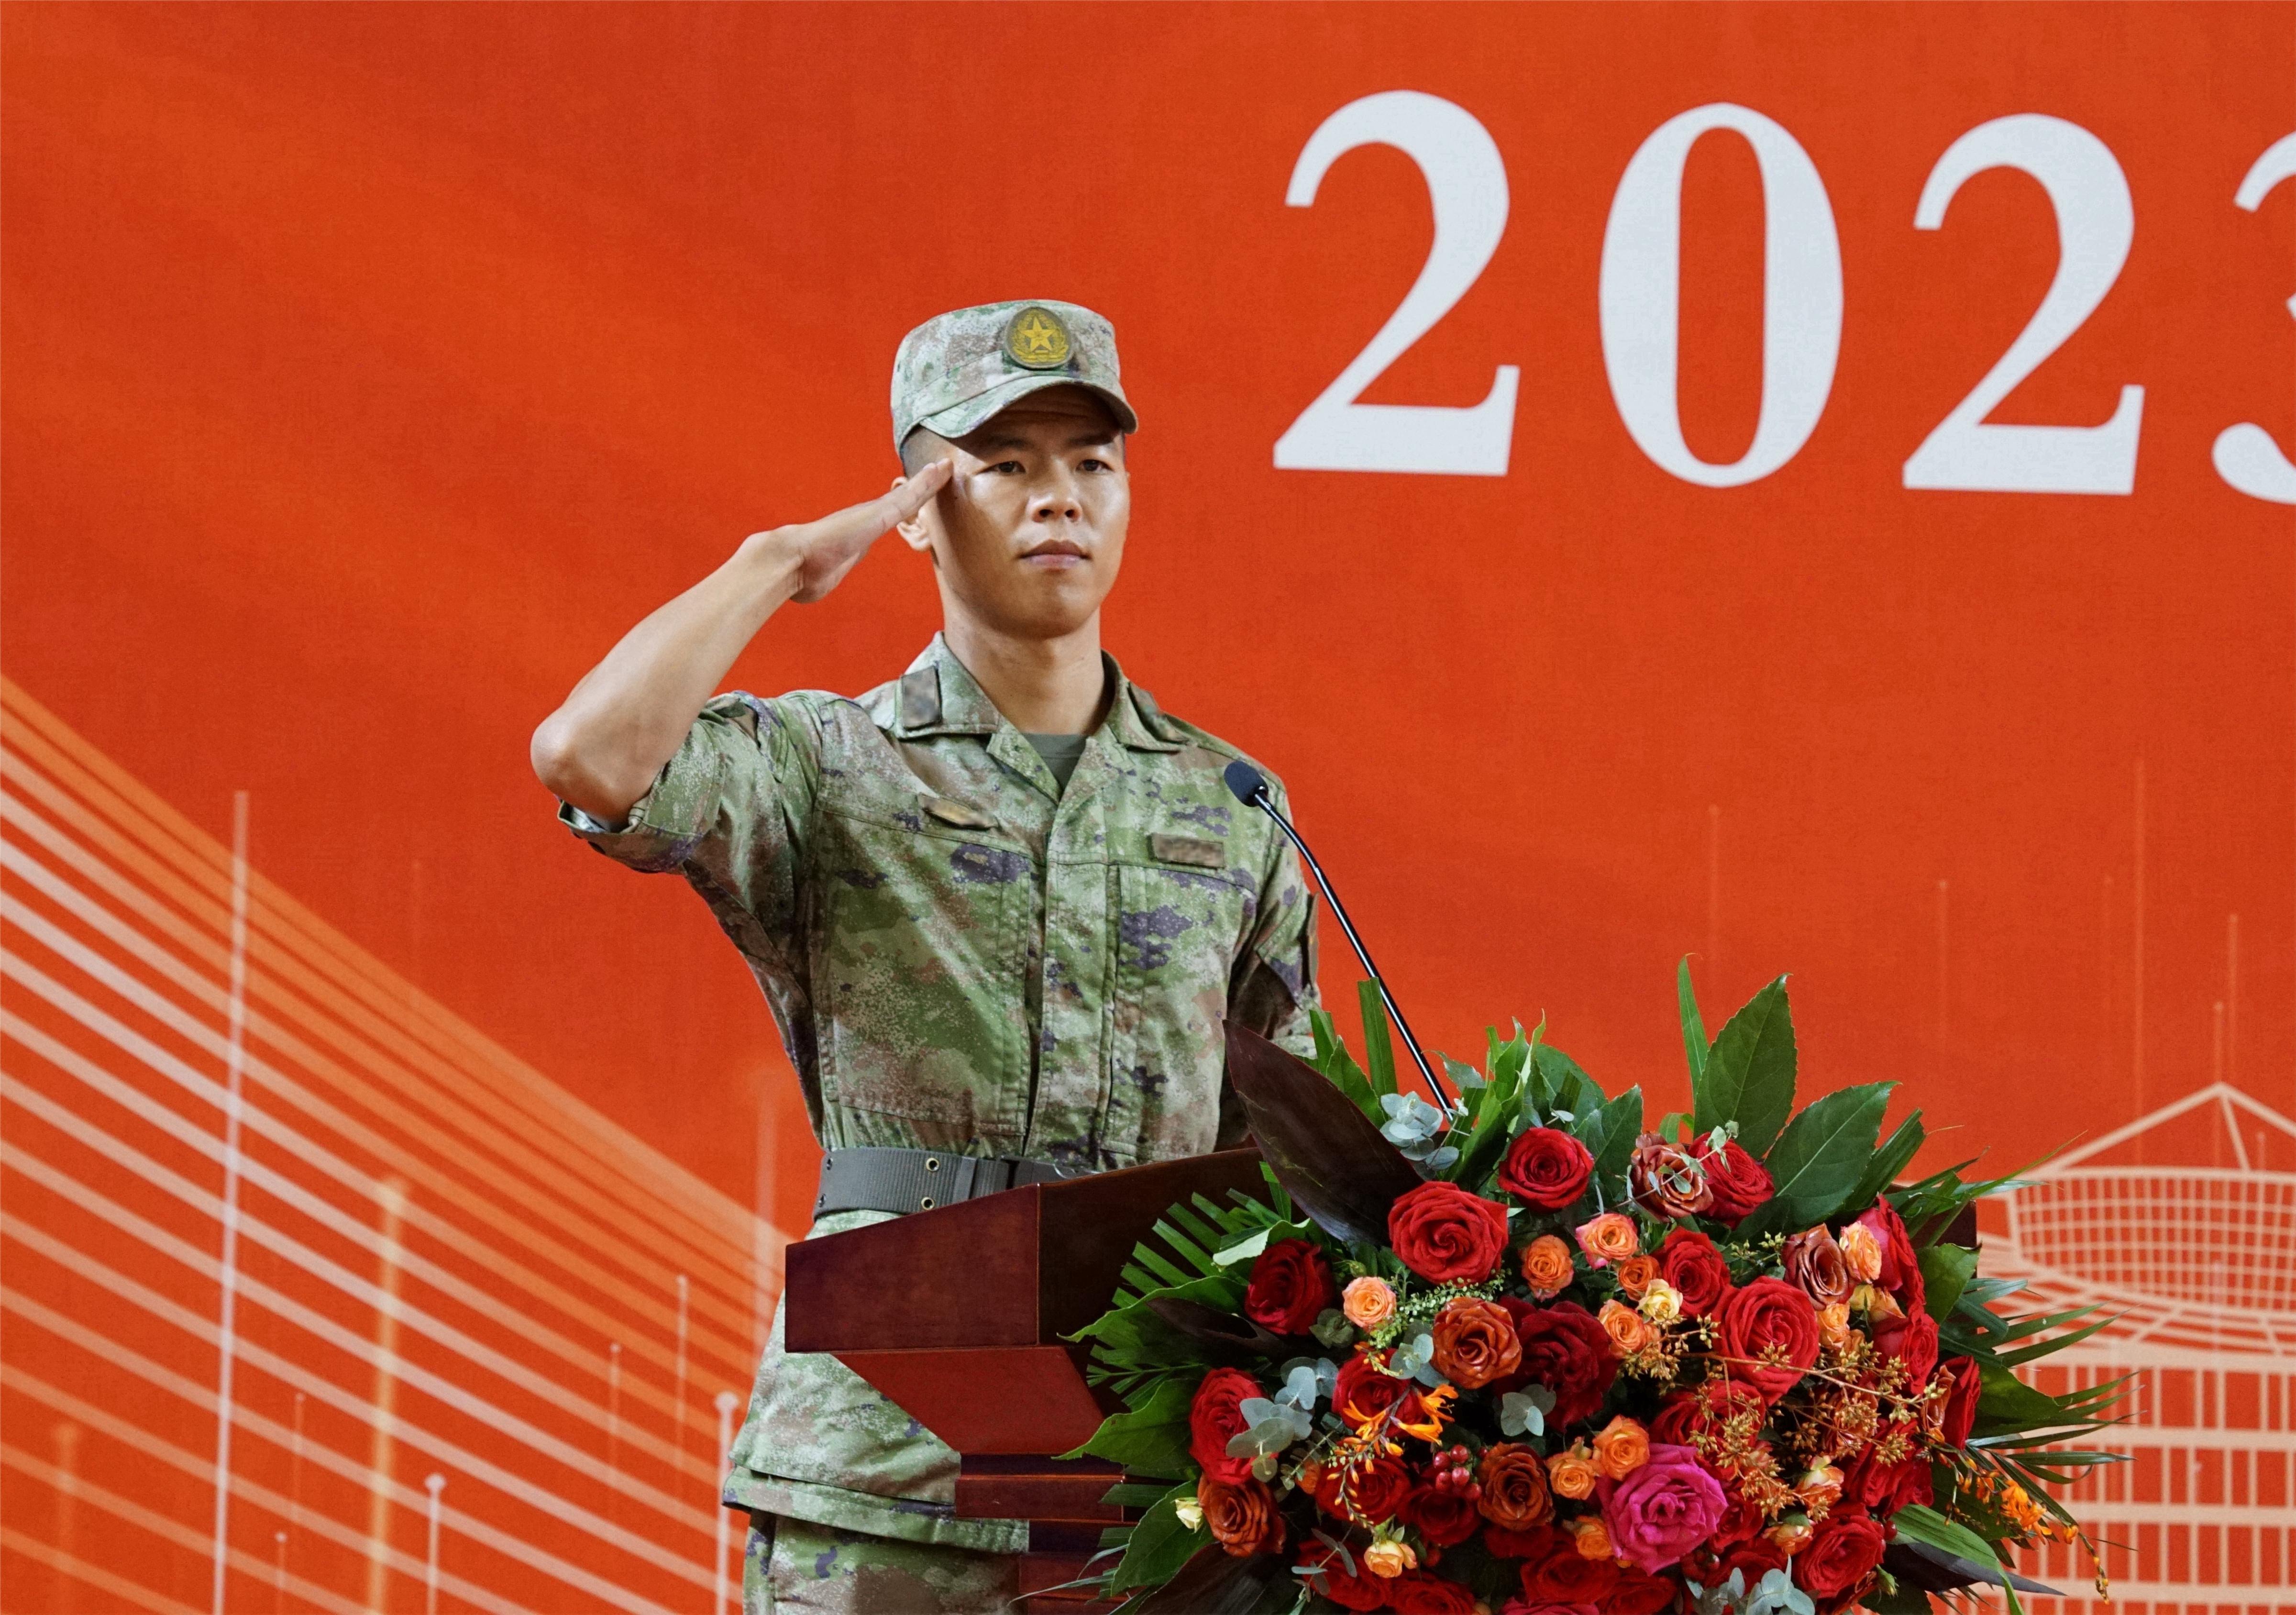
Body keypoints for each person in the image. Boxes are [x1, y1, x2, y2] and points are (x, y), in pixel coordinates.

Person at [530, 300, 1322, 1612]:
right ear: (918, 507)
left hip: (1147, 1471)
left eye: (1091, 462)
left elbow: (1289, 1147)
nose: (1058, 497)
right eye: (1003, 465)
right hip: (887, 1464)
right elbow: (591, 758)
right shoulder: (826, 764)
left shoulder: (1230, 803)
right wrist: (780, 561)